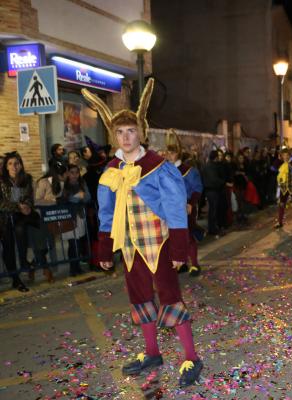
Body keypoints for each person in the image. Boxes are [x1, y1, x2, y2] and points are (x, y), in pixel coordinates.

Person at [82, 78, 203, 387]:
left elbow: (176, 208)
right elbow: (107, 213)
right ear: (114, 135)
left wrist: (178, 249)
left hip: (159, 243)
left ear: (141, 133)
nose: (125, 137)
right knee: (140, 298)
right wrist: (105, 250)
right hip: (130, 246)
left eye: (131, 131)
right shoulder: (110, 170)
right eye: (120, 132)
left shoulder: (158, 166)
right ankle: (152, 352)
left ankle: (191, 356)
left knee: (170, 296)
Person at [165, 129, 204, 277]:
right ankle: (180, 263)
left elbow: (197, 188)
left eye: (172, 152)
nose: (169, 155)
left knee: (187, 236)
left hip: (185, 207)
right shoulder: (164, 171)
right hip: (169, 209)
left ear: (178, 154)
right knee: (171, 237)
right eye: (167, 152)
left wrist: (191, 204)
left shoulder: (189, 171)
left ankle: (194, 264)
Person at [0, 152, 33, 292]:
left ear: (21, 165)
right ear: (6, 167)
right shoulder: (1, 181)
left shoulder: (25, 179)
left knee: (21, 240)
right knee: (8, 250)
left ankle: (24, 263)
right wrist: (18, 207)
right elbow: (1, 203)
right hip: (4, 220)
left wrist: (27, 206)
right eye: (10, 164)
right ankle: (15, 279)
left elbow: (28, 197)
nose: (14, 166)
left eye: (16, 163)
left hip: (19, 219)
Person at [61, 164, 91, 276]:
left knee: (78, 242)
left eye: (76, 172)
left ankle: (76, 266)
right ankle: (73, 268)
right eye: (72, 172)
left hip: (79, 216)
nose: (74, 175)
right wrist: (77, 197)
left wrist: (81, 197)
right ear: (68, 173)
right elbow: (63, 200)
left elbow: (88, 197)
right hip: (68, 217)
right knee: (72, 243)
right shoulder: (64, 184)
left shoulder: (82, 183)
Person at [202, 150, 226, 236]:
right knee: (214, 210)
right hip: (213, 191)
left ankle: (212, 227)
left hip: (208, 190)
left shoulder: (205, 166)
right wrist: (223, 182)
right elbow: (214, 179)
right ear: (216, 157)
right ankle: (213, 228)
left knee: (212, 210)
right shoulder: (212, 167)